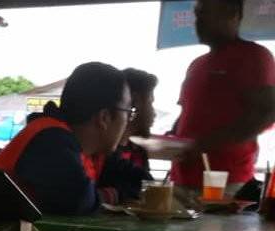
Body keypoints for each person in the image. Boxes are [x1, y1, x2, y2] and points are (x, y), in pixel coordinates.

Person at [0, 62, 132, 215]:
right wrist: (111, 195)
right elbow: (77, 201)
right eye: (128, 112)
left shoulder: (72, 144)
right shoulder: (51, 138)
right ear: (104, 117)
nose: (129, 121)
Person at [172, 0, 275, 193]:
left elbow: (267, 112)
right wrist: (170, 141)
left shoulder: (254, 56)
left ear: (232, 13)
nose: (197, 21)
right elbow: (186, 115)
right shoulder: (197, 64)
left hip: (225, 183)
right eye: (196, 14)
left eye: (204, 13)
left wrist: (204, 144)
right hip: (181, 180)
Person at [97, 68, 159, 202]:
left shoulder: (137, 149)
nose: (154, 112)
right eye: (151, 102)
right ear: (135, 103)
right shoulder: (102, 152)